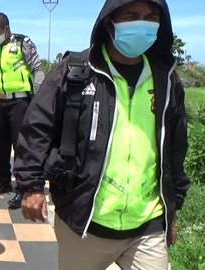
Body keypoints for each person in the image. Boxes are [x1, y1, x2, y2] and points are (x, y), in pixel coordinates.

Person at [15, 0, 191, 269]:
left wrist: (173, 207)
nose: (141, 23)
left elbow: (176, 146)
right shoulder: (76, 72)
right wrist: (31, 185)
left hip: (147, 225)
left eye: (150, 16)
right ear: (109, 23)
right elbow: (37, 125)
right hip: (84, 222)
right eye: (131, 15)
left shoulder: (165, 79)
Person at [0, 12, 45, 209]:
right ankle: (3, 181)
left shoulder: (23, 43)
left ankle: (23, 188)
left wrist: (39, 99)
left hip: (21, 103)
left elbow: (37, 70)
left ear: (6, 29)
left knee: (21, 147)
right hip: (2, 103)